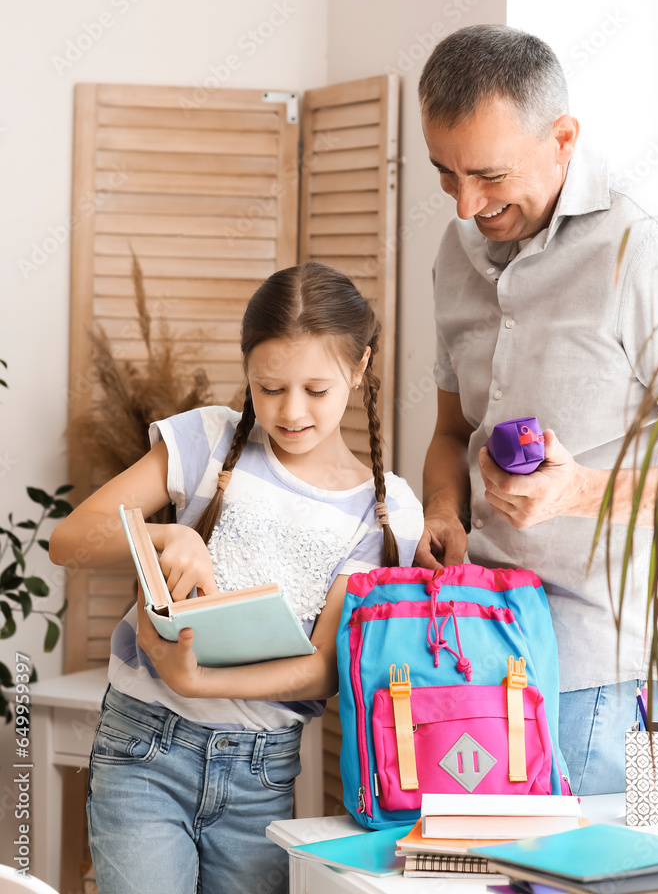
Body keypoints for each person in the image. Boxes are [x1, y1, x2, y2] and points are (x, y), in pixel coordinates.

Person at [413, 25, 658, 795]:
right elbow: (452, 430)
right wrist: (442, 512)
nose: (464, 203)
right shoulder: (456, 252)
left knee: (656, 870)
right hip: (489, 657)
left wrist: (577, 491)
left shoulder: (646, 247)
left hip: (638, 680)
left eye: (487, 175)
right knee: (504, 881)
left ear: (562, 138)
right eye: (444, 173)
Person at [50, 262, 424, 894]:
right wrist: (170, 533)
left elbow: (324, 669)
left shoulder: (387, 511)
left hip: (262, 772)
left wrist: (199, 679)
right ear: (247, 367)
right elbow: (69, 541)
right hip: (143, 749)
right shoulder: (206, 438)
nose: (291, 411)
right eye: (269, 388)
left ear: (360, 368)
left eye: (316, 389)